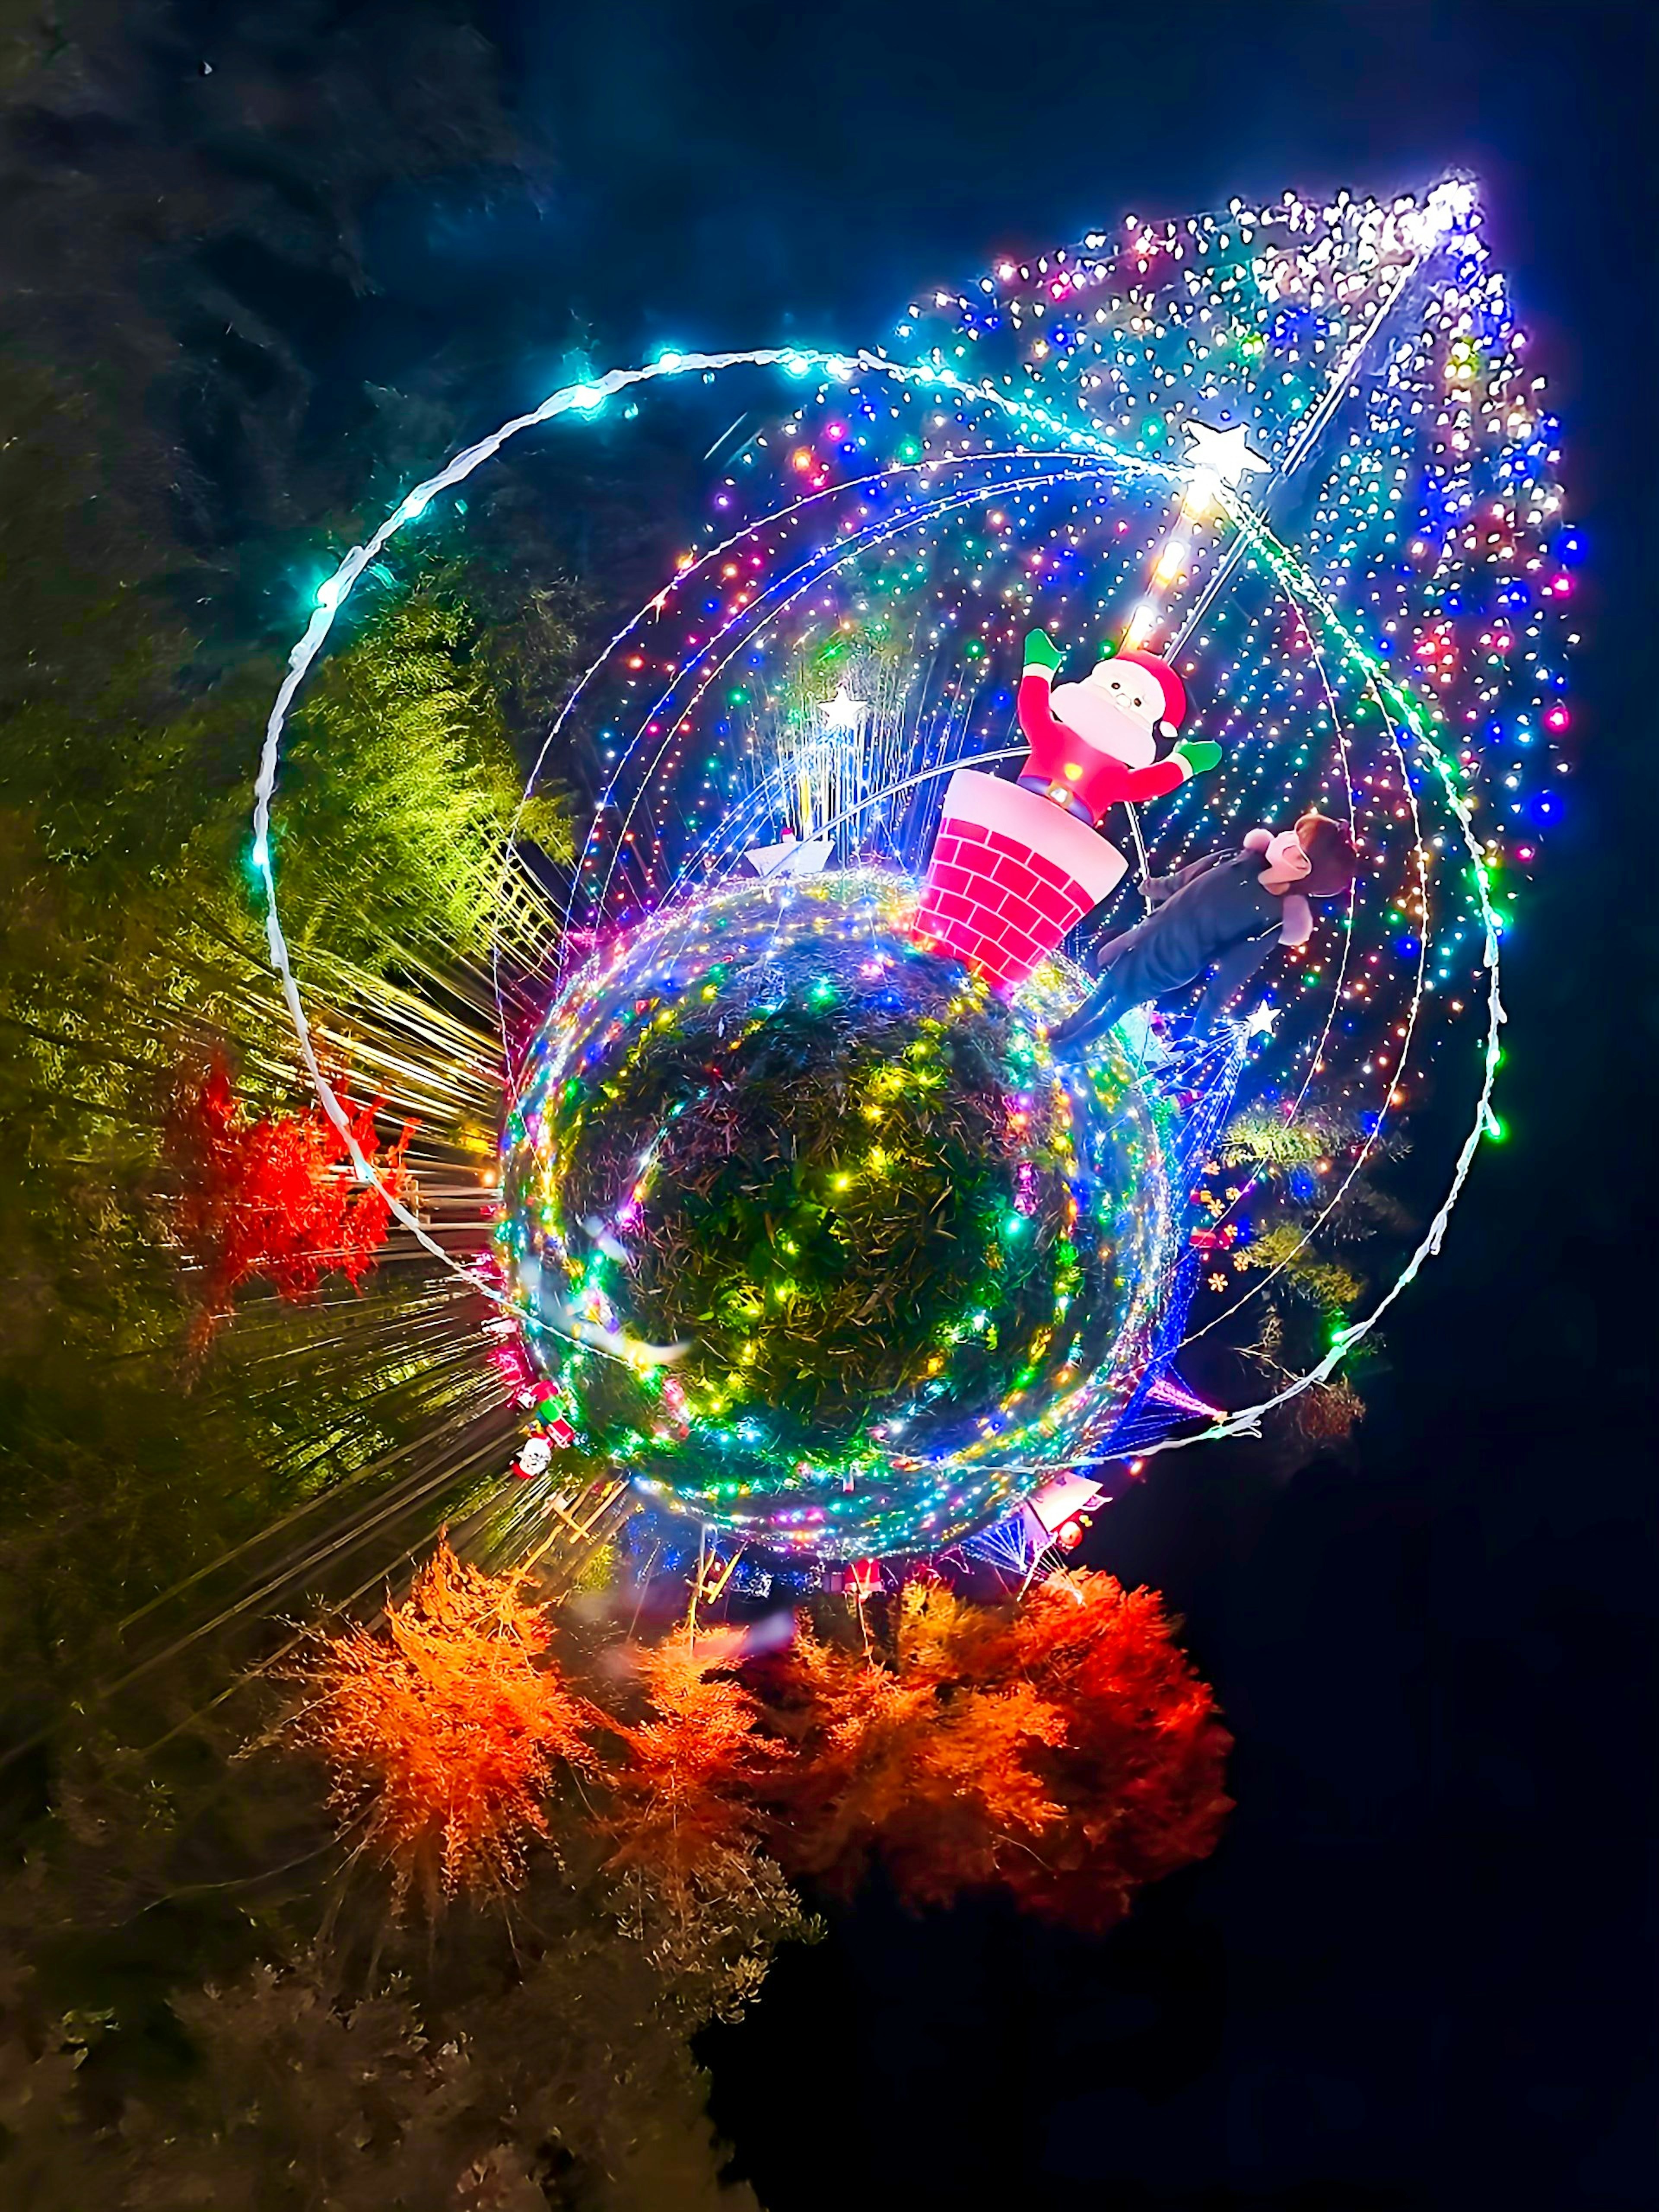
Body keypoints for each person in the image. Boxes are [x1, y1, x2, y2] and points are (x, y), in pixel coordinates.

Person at [1048, 813, 1362, 1055]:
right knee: (1107, 987)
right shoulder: (1236, 859)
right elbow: (1185, 881)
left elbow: (1229, 978)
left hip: (1170, 966)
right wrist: (1153, 886)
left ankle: (1071, 1046)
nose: (1285, 837)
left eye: (1298, 840)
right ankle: (1064, 1029)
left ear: (1302, 865)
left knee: (1119, 1005)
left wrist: (1201, 1028)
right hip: (1147, 937)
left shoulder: (1269, 921)